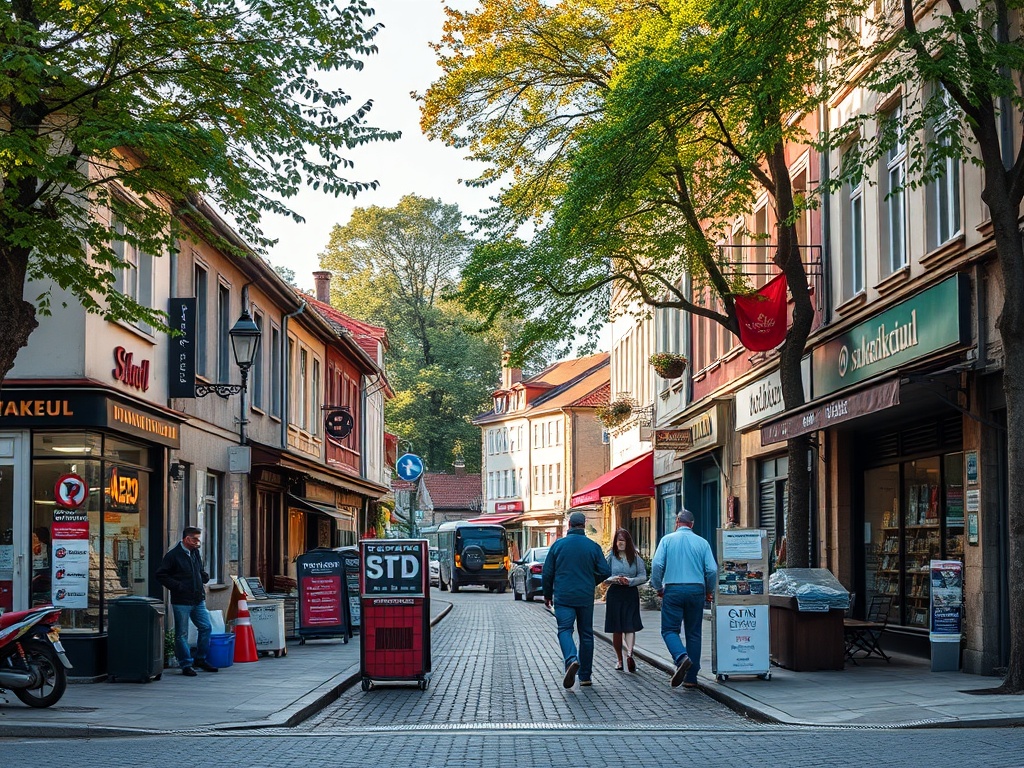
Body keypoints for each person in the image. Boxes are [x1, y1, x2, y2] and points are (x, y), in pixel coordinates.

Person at [542, 511, 611, 689]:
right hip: (585, 597)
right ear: (584, 525)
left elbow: (548, 572)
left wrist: (548, 594)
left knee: (565, 629)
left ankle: (571, 659)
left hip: (564, 596)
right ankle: (585, 676)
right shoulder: (593, 547)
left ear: (569, 526)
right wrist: (591, 582)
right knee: (586, 634)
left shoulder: (558, 546)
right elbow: (605, 571)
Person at [650, 508, 717, 688]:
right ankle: (691, 678)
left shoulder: (667, 540)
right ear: (692, 524)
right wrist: (709, 590)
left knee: (669, 630)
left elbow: (657, 565)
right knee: (694, 633)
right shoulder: (702, 543)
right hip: (696, 589)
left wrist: (658, 587)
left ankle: (681, 657)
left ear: (677, 523)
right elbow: (711, 570)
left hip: (672, 589)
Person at [156, 526, 218, 676]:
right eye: (195, 539)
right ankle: (186, 664)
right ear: (187, 539)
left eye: (199, 539)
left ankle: (200, 659)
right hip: (181, 601)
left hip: (198, 599)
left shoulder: (195, 553)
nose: (198, 542)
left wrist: (203, 575)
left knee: (206, 627)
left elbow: (199, 570)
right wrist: (178, 586)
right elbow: (161, 575)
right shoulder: (173, 555)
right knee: (181, 633)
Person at [603, 528, 647, 673]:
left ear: (628, 542)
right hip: (615, 593)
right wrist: (614, 579)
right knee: (617, 628)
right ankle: (619, 659)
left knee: (630, 625)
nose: (620, 543)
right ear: (615, 542)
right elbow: (603, 576)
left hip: (630, 593)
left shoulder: (635, 558)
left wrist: (630, 580)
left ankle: (629, 654)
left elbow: (642, 576)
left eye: (623, 540)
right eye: (618, 540)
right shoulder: (610, 558)